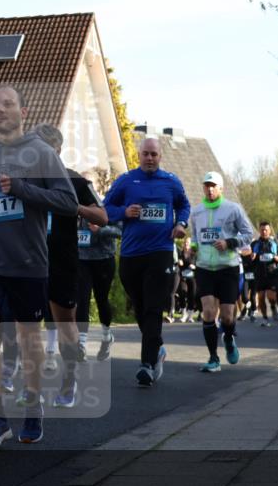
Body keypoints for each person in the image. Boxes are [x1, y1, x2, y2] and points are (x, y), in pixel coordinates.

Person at [0, 83, 78, 447]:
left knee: (28, 338)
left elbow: (68, 201)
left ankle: (33, 407)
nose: (0, 110)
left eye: (8, 104)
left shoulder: (41, 153)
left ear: (22, 113)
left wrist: (24, 189)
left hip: (28, 263)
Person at [104, 137, 190, 386]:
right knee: (141, 307)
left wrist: (181, 224)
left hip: (161, 251)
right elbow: (105, 208)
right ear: (138, 156)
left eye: (154, 154)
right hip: (131, 254)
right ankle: (157, 347)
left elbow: (184, 205)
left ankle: (147, 364)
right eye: (146, 154)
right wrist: (123, 212)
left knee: (153, 306)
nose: (150, 158)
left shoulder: (171, 182)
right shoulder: (126, 181)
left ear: (160, 156)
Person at [34, 124, 108, 408]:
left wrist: (74, 207)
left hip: (62, 262)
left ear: (57, 150)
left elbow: (102, 217)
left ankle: (69, 382)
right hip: (28, 261)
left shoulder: (74, 181)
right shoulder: (25, 181)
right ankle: (31, 387)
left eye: (45, 150)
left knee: (66, 326)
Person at [188, 171, 254, 373]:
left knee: (227, 316)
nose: (209, 189)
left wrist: (229, 242)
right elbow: (196, 238)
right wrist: (193, 249)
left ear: (221, 188)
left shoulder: (233, 209)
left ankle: (228, 336)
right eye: (206, 185)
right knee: (208, 312)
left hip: (228, 268)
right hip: (204, 268)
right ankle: (213, 358)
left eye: (213, 185)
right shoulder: (196, 212)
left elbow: (249, 234)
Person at [77, 221, 121, 357]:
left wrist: (101, 230)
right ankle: (82, 344)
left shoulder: (106, 204)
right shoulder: (73, 203)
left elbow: (120, 231)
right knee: (82, 299)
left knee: (101, 300)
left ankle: (107, 337)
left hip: (104, 258)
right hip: (81, 259)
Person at [251, 222, 278, 327]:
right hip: (259, 273)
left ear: (269, 231)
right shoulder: (255, 244)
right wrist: (252, 256)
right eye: (262, 230)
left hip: (272, 273)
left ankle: (273, 307)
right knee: (260, 297)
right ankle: (265, 318)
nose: (264, 232)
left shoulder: (274, 243)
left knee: (271, 296)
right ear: (259, 231)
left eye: (266, 230)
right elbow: (250, 256)